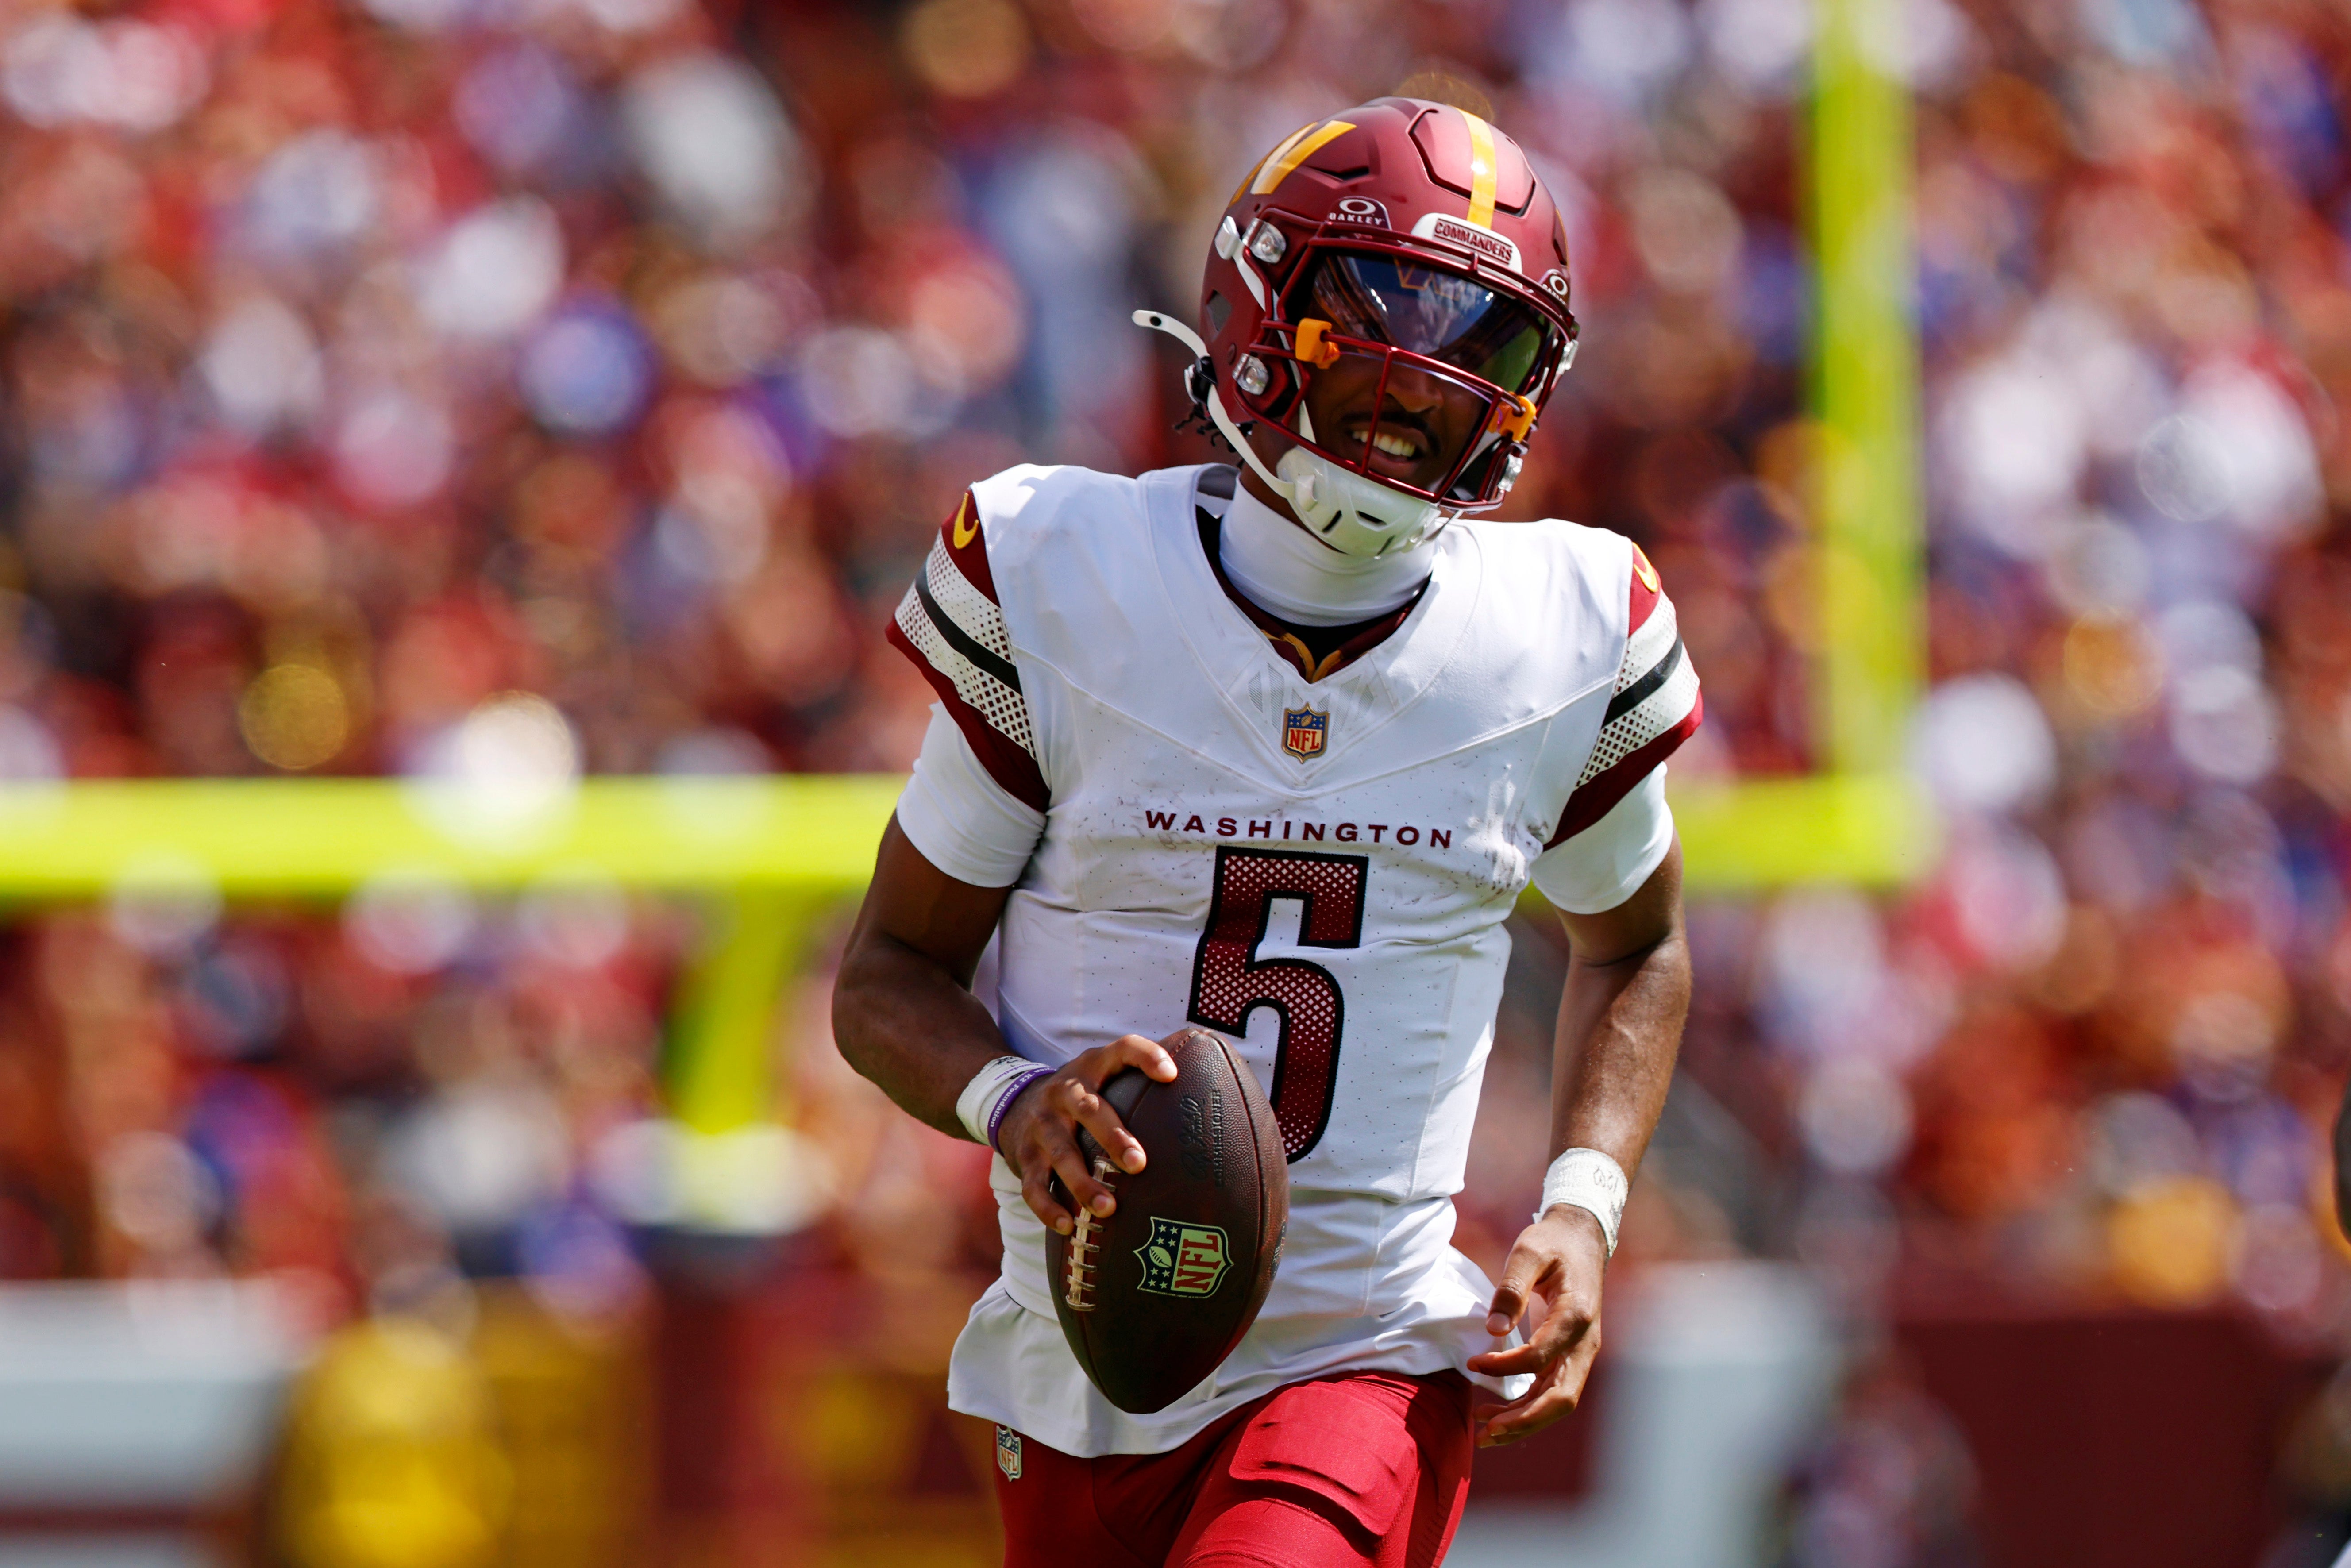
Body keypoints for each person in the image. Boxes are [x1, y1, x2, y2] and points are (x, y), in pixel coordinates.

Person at [832, 97, 1701, 1568]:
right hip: (1081, 1359)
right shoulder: (1062, 579)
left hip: (1362, 1357)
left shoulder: (1561, 632)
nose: (1421, 387)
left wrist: (1584, 1205)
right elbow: (886, 982)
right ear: (1257, 305)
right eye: (1381, 322)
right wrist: (1011, 1100)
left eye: (1475, 348)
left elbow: (1642, 945)